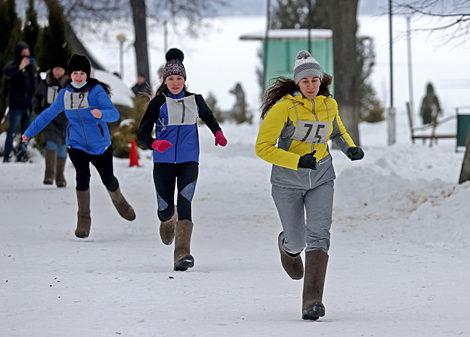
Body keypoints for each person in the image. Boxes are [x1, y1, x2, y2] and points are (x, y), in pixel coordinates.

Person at [255, 50, 364, 321]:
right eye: (306, 82)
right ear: (298, 83)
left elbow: (337, 132)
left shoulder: (330, 105)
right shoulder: (284, 108)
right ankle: (287, 247)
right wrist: (296, 161)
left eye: (315, 80)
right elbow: (262, 148)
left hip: (322, 178)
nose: (311, 86)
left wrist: (349, 149)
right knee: (298, 240)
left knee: (320, 234)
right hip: (287, 182)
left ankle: (312, 301)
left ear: (321, 80)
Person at [22, 54, 136, 238]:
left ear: (87, 74)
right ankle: (83, 219)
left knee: (108, 180)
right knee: (82, 176)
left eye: (82, 72)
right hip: (76, 144)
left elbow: (114, 114)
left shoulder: (96, 91)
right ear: (70, 74)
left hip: (100, 146)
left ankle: (120, 202)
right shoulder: (64, 94)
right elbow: (47, 114)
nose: (78, 76)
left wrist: (102, 115)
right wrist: (28, 132)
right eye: (75, 72)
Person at [137, 48, 227, 271]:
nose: (175, 82)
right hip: (163, 162)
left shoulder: (195, 100)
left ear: (184, 79)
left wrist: (217, 132)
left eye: (179, 78)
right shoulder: (158, 102)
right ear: (165, 80)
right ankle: (168, 218)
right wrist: (154, 144)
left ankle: (182, 254)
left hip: (189, 160)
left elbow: (208, 117)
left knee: (185, 201)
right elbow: (142, 134)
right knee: (166, 209)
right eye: (171, 78)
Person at [32, 60, 69, 187]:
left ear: (64, 71)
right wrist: (37, 107)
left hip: (65, 119)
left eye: (60, 69)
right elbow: (36, 96)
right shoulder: (45, 83)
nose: (58, 72)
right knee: (51, 143)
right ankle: (49, 175)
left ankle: (60, 176)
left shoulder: (70, 84)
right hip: (49, 118)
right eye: (55, 69)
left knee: (62, 149)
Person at [3, 41, 40, 163]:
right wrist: (20, 67)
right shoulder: (12, 65)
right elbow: (7, 73)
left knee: (26, 133)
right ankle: (7, 156)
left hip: (29, 106)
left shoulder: (33, 68)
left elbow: (38, 83)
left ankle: (21, 156)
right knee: (12, 132)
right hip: (16, 106)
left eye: (27, 52)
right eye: (23, 53)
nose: (26, 56)